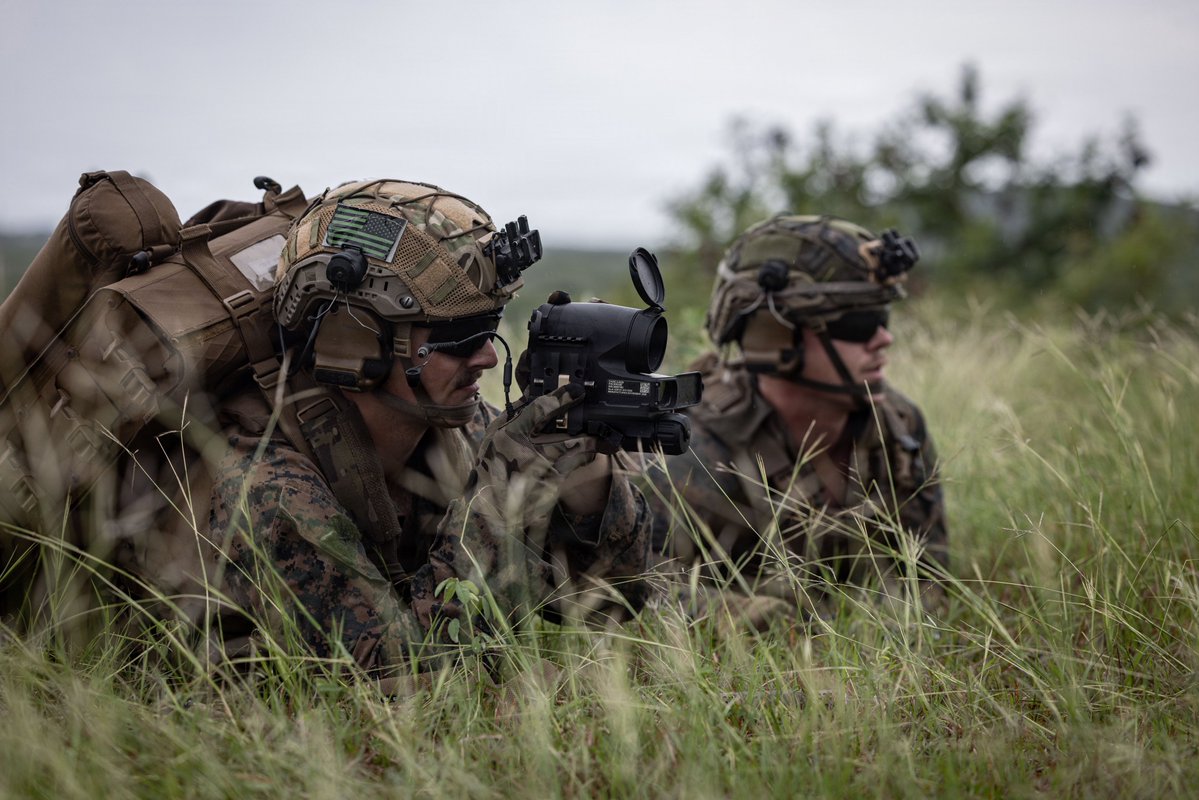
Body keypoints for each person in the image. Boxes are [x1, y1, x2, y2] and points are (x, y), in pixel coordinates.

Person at [171, 179, 650, 674]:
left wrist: (584, 479)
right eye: (460, 336)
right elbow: (391, 674)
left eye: (492, 326)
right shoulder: (267, 482)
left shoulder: (456, 429)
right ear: (354, 339)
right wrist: (501, 496)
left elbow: (614, 599)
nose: (487, 355)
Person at [642, 214, 947, 628]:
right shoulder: (689, 448)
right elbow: (638, 595)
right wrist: (766, 622)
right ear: (774, 333)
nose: (883, 338)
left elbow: (928, 581)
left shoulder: (897, 425)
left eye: (884, 318)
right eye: (858, 323)